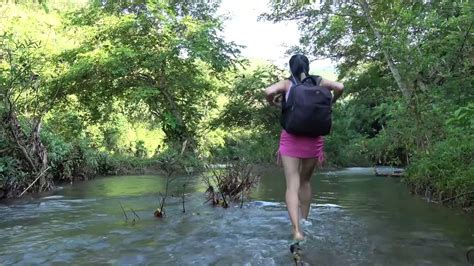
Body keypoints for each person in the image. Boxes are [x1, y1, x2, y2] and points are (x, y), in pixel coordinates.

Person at [264, 54, 344, 241]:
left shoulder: (287, 83)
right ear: (307, 67)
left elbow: (268, 91)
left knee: (292, 185)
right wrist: (332, 102)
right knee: (305, 182)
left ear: (291, 68)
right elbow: (340, 87)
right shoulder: (317, 81)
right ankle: (305, 221)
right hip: (313, 140)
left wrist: (275, 103)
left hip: (291, 138)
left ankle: (297, 231)